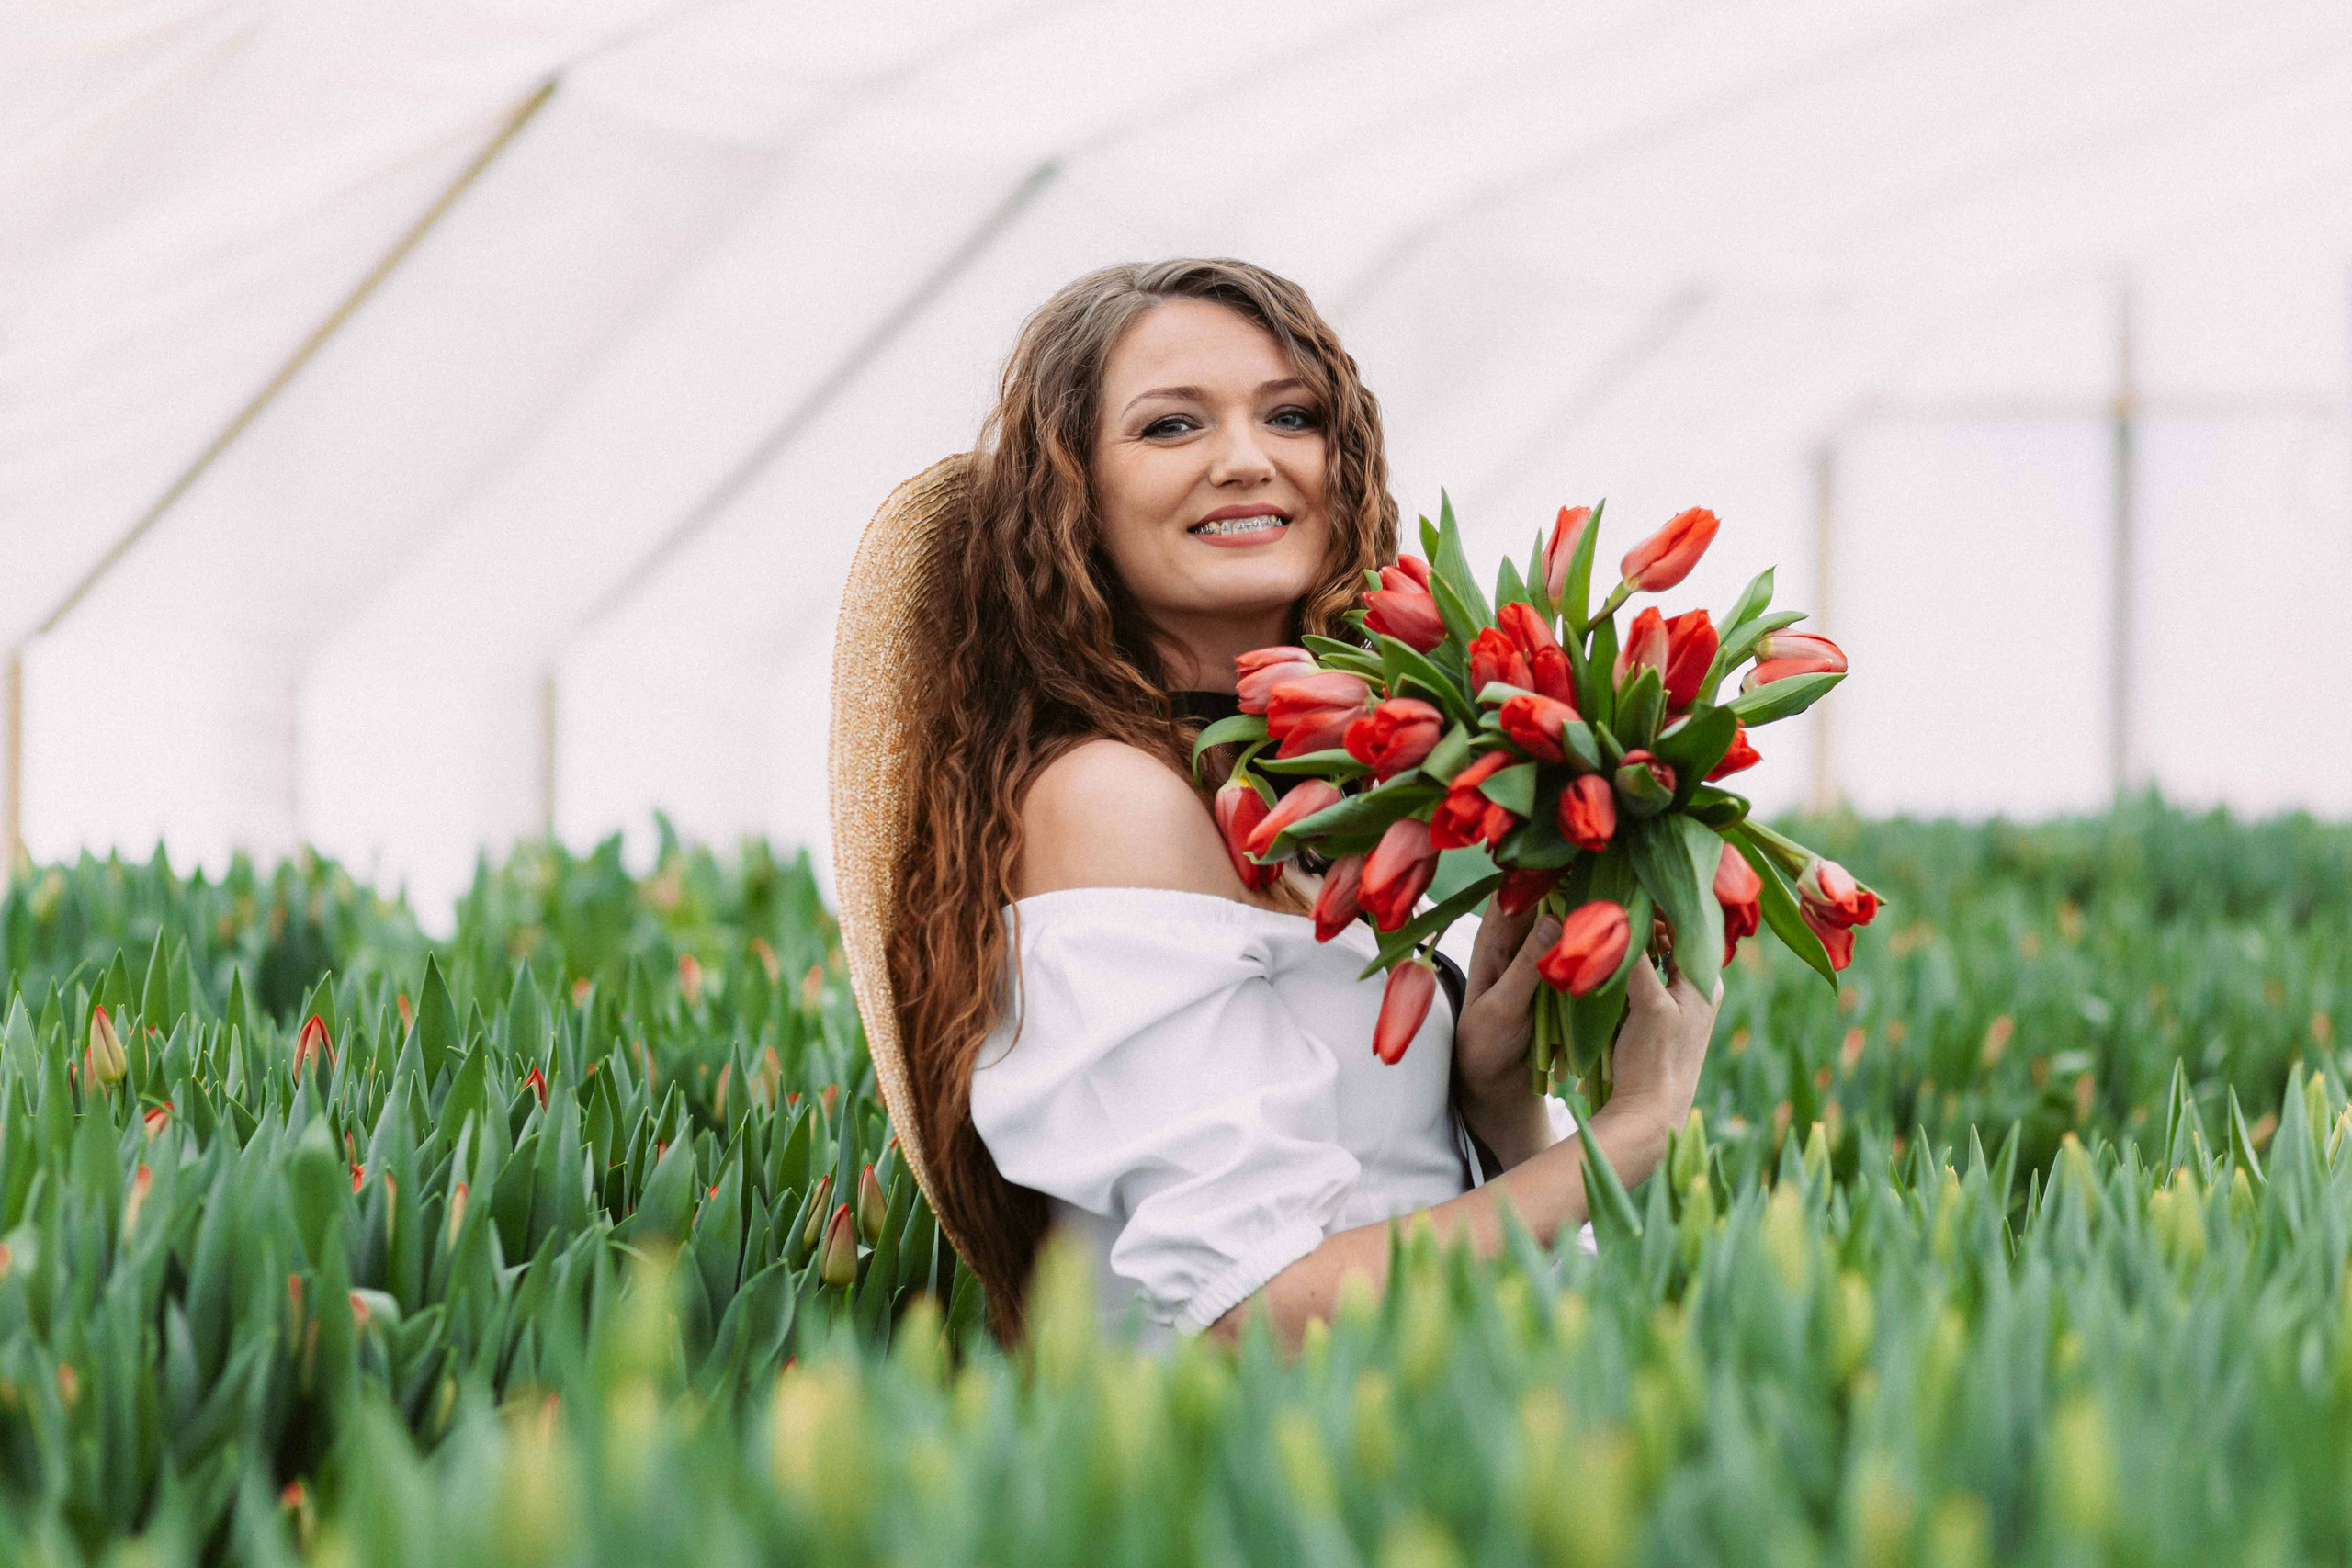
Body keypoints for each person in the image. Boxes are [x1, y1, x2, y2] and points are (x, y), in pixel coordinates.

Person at [884, 258, 1718, 1350]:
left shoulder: (1332, 798)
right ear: (1072, 494)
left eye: (1291, 416)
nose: (1247, 459)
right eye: (1170, 426)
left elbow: (1418, 1217)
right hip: (1250, 1449)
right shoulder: (1115, 800)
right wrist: (1633, 1131)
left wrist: (1497, 1107)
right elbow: (1245, 1310)